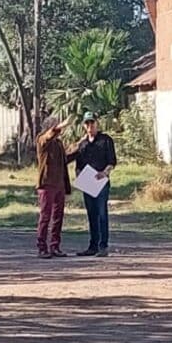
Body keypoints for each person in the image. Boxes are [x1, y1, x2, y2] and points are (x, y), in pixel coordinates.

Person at [69, 111, 117, 257]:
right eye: (87, 123)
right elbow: (73, 160)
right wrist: (80, 178)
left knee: (102, 213)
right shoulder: (82, 144)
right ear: (84, 125)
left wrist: (105, 173)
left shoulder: (105, 140)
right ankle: (93, 245)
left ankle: (103, 246)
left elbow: (112, 161)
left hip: (101, 180)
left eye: (92, 123)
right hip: (87, 181)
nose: (90, 126)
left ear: (97, 123)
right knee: (91, 214)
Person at [35, 115, 71, 259]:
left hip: (59, 184)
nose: (59, 129)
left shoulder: (59, 144)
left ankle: (55, 246)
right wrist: (62, 125)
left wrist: (80, 145)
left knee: (58, 216)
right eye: (55, 126)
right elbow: (49, 135)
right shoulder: (42, 140)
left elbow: (65, 159)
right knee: (45, 216)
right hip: (47, 184)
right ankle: (42, 247)